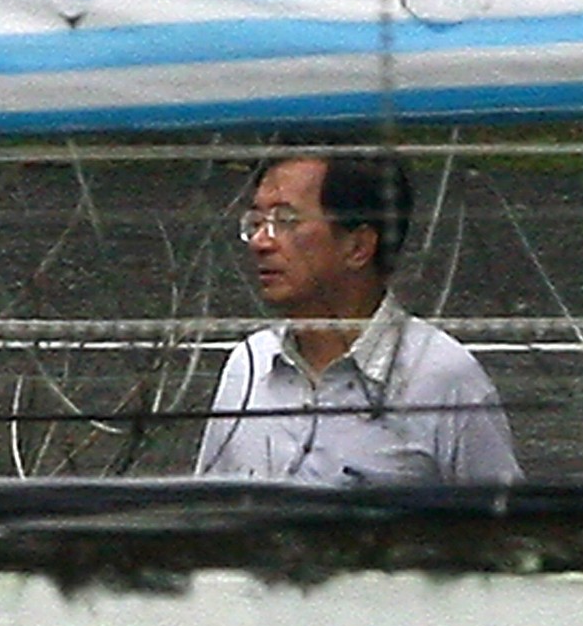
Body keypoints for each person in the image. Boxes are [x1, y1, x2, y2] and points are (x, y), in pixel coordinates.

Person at [194, 149, 521, 486]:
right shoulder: (248, 367)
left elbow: (502, 530)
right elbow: (210, 518)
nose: (261, 242)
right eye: (256, 223)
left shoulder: (442, 379)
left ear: (358, 246)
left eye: (286, 221)